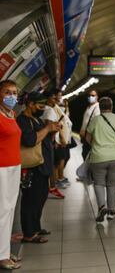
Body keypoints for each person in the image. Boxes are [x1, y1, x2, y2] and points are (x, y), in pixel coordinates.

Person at [17, 91, 61, 244]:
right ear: (30, 104)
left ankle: (36, 227)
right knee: (30, 200)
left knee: (40, 197)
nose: (42, 108)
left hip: (42, 166)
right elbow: (30, 140)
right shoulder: (22, 120)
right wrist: (48, 129)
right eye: (40, 105)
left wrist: (53, 130)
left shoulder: (35, 119)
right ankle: (28, 234)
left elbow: (45, 137)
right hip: (31, 168)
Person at [85, 97, 115, 222]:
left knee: (98, 183)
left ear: (100, 107)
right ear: (111, 106)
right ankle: (112, 211)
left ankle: (102, 206)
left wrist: (96, 145)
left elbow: (87, 138)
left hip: (98, 157)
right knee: (112, 184)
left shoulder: (95, 120)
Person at [0, 80, 22, 270]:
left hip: (13, 167)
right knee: (2, 212)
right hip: (1, 169)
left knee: (9, 211)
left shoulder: (11, 114)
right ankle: (1, 256)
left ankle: (4, 251)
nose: (11, 96)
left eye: (14, 92)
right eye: (7, 92)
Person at [80, 89, 100, 160]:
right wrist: (82, 130)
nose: (91, 97)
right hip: (86, 136)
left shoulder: (97, 108)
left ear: (97, 97)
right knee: (84, 155)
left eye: (93, 95)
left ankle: (88, 170)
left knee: (88, 156)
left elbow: (96, 123)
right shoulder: (88, 107)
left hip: (91, 137)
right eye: (89, 95)